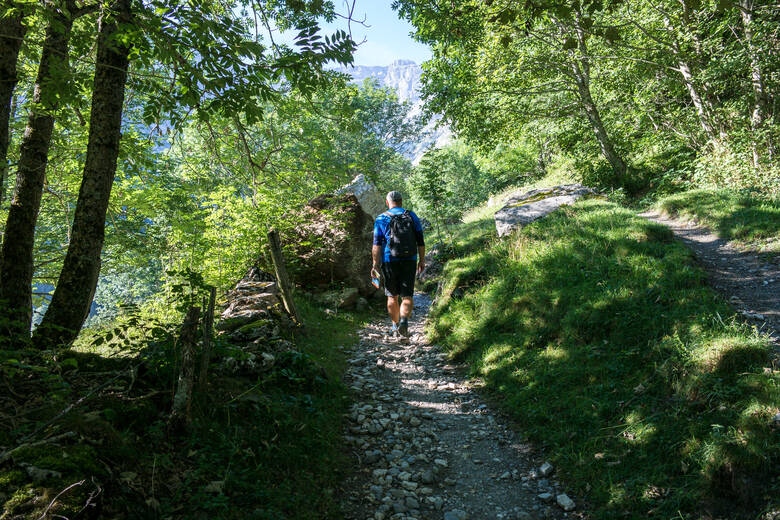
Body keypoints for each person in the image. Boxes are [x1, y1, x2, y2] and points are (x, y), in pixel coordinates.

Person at [371, 190, 425, 338]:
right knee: (407, 296)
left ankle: (395, 327)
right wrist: (422, 260)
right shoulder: (411, 215)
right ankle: (404, 322)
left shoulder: (381, 218)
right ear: (401, 201)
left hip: (389, 261)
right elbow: (420, 240)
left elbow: (376, 245)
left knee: (391, 296)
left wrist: (375, 264)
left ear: (387, 202)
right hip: (410, 259)